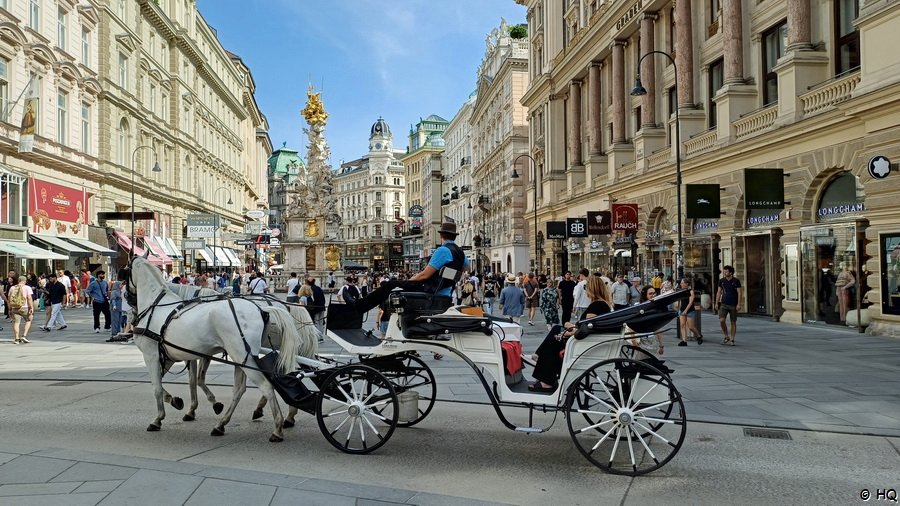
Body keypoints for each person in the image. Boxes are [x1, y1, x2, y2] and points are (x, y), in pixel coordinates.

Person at [348, 222, 469, 314]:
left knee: (389, 284)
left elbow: (424, 275)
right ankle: (360, 305)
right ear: (454, 237)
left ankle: (359, 307)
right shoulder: (461, 253)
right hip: (446, 291)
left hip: (430, 289)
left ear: (441, 235)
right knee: (393, 286)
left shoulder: (443, 250)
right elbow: (466, 268)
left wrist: (407, 282)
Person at [529, 275, 612, 391]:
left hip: (584, 341)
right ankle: (540, 358)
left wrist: (571, 331)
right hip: (588, 338)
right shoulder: (602, 304)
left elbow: (587, 328)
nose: (585, 290)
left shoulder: (597, 305)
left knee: (555, 339)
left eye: (586, 288)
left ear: (592, 289)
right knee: (557, 329)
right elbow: (589, 325)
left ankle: (545, 379)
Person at [715, 265, 742, 346]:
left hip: (733, 304)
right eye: (724, 271)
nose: (724, 273)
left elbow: (739, 293)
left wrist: (739, 304)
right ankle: (726, 336)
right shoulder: (721, 281)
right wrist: (716, 303)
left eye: (726, 271)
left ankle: (732, 339)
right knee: (722, 320)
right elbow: (719, 292)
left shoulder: (736, 281)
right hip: (724, 304)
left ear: (731, 273)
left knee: (733, 321)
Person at [639, 285, 666, 355]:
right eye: (650, 294)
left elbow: (657, 327)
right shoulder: (638, 306)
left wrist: (661, 345)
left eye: (654, 293)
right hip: (640, 340)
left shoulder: (655, 308)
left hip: (651, 339)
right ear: (645, 295)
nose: (653, 295)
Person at [8, 276, 34, 344]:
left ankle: (16, 338)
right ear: (24, 281)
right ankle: (24, 336)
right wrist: (31, 307)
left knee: (16, 323)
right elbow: (29, 298)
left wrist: (10, 308)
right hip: (25, 307)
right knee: (28, 320)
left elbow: (9, 299)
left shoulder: (12, 288)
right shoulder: (27, 287)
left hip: (15, 307)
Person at [677, 277, 702, 345]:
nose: (681, 284)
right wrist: (679, 309)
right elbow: (679, 301)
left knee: (691, 327)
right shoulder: (681, 291)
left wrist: (686, 310)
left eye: (682, 283)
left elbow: (690, 302)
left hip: (690, 310)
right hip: (682, 310)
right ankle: (684, 341)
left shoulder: (691, 291)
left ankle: (699, 336)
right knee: (682, 325)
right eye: (681, 283)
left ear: (687, 284)